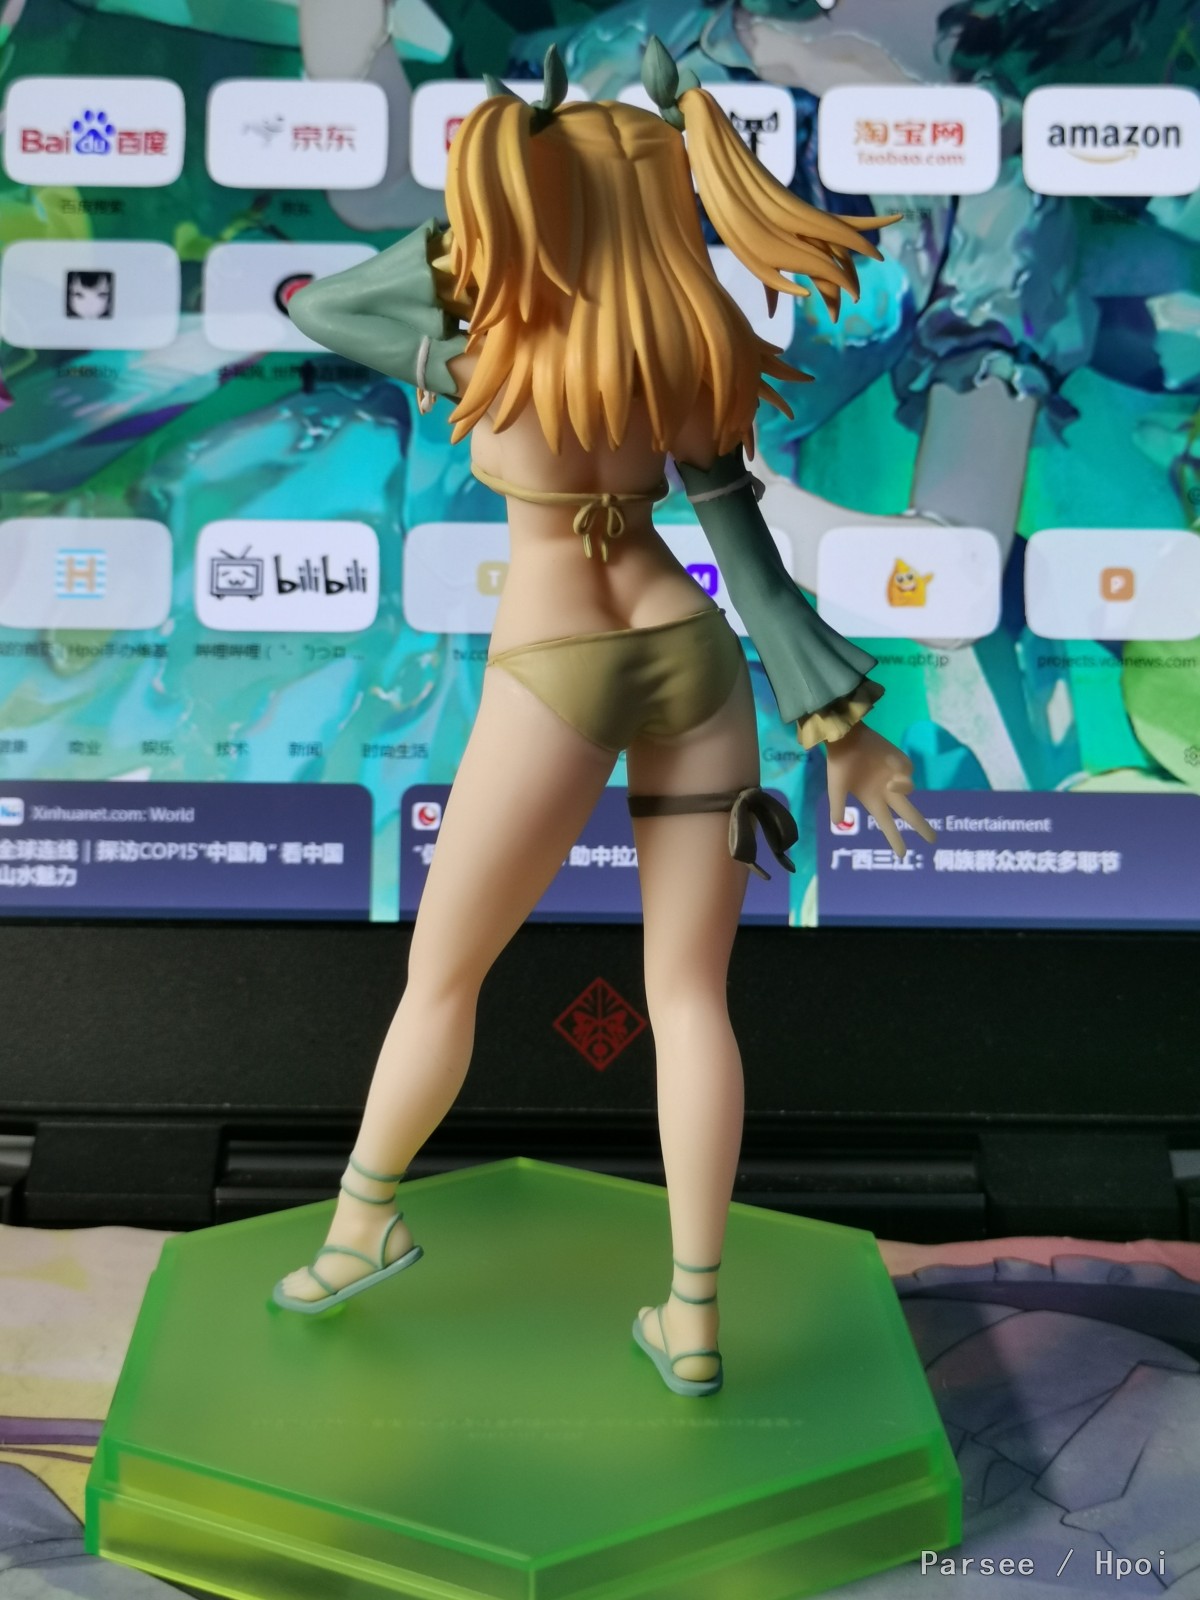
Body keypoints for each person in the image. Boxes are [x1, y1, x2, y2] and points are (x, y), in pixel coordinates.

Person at [270, 37, 935, 1397]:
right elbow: (752, 569)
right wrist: (843, 727)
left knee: (444, 976)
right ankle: (692, 1316)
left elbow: (327, 304)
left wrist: (485, 228)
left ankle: (360, 1227)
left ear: (530, 214)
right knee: (687, 997)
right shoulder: (678, 355)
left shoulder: (486, 353)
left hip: (558, 664)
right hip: (691, 658)